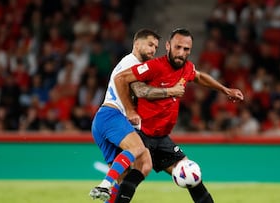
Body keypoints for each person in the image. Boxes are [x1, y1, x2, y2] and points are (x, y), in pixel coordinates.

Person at [114, 28, 244, 203]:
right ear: (168, 46)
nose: (181, 53)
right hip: (141, 134)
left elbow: (198, 77)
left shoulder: (187, 68)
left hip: (162, 138)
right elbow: (121, 78)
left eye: (186, 49)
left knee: (191, 175)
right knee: (140, 170)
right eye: (178, 47)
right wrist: (130, 110)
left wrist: (225, 90)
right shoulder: (154, 66)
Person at [89, 28, 185, 202]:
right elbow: (135, 89)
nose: (153, 50)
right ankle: (104, 184)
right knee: (138, 148)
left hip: (103, 120)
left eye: (155, 47)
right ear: (136, 44)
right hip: (112, 115)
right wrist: (170, 91)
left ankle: (110, 190)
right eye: (149, 44)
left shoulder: (133, 65)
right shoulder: (131, 63)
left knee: (142, 166)